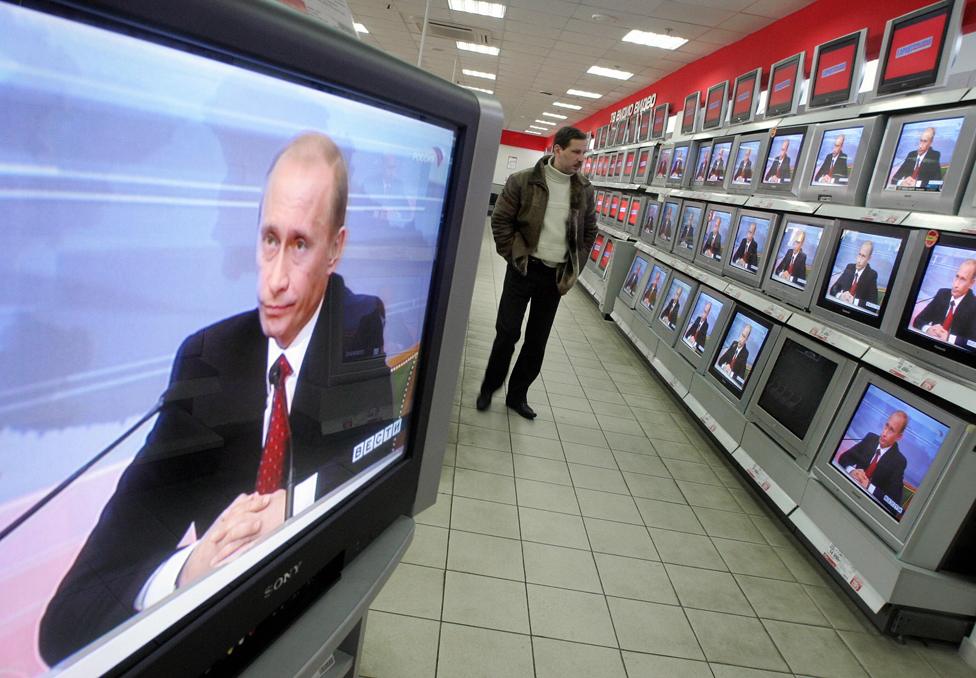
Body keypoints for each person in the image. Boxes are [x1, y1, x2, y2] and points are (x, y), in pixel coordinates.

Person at [39, 133, 395, 664]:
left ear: (336, 249)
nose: (274, 281)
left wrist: (294, 507)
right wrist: (190, 573)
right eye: (269, 239)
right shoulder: (209, 361)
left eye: (301, 245)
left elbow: (383, 457)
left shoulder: (359, 324)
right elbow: (66, 623)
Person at [477, 126, 596, 419]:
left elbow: (589, 231)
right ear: (557, 150)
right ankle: (488, 388)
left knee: (537, 340)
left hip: (554, 278)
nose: (581, 158)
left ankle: (517, 396)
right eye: (576, 152)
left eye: (584, 152)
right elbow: (501, 221)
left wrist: (574, 265)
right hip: (523, 269)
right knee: (507, 333)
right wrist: (514, 254)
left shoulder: (584, 188)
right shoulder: (523, 181)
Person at [837, 411, 908, 514]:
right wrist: (852, 470)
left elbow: (894, 506)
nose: (884, 433)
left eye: (891, 430)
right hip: (848, 490)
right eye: (886, 426)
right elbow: (843, 458)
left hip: (868, 509)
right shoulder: (870, 439)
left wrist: (868, 486)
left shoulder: (899, 462)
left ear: (899, 437)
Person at [911, 259, 976, 348]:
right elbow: (918, 320)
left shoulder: (974, 305)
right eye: (957, 276)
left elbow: (973, 343)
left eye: (963, 279)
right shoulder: (942, 294)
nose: (956, 284)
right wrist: (928, 329)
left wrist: (948, 337)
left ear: (971, 283)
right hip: (929, 346)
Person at [829, 240, 879, 309]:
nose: (859, 260)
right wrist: (840, 295)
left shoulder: (872, 275)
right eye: (859, 254)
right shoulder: (850, 267)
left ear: (869, 258)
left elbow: (873, 306)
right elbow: (833, 289)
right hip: (839, 308)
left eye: (863, 256)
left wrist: (854, 301)